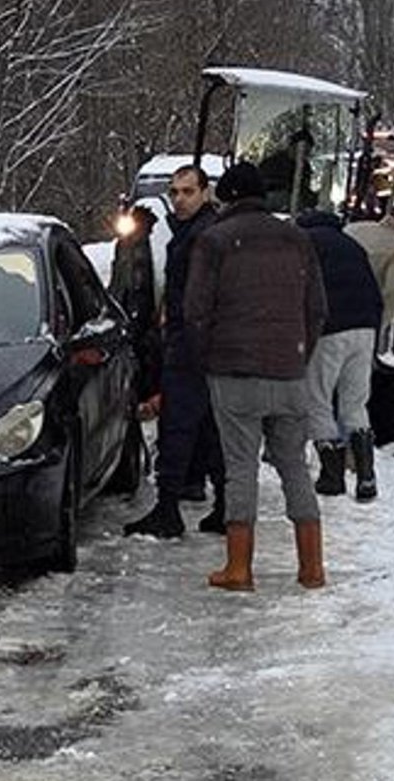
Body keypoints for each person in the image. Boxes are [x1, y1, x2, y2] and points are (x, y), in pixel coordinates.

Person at [185, 162, 328, 592]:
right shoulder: (298, 238)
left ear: (225, 198)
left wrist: (205, 358)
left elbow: (196, 312)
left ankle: (239, 568)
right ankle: (312, 568)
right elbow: (317, 308)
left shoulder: (214, 241)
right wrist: (297, 354)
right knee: (295, 467)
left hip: (234, 371)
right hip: (289, 370)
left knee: (240, 468)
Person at [124, 165, 227, 539]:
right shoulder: (192, 232)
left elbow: (198, 296)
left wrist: (182, 337)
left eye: (187, 192)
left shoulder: (203, 236)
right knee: (208, 428)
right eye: (175, 192)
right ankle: (220, 506)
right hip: (199, 344)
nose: (180, 199)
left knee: (180, 427)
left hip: (193, 345)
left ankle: (170, 508)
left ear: (205, 192)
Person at [298, 206, 383, 501]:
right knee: (355, 402)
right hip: (366, 328)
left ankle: (332, 476)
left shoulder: (306, 243)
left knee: (317, 399)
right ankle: (366, 476)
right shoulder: (352, 245)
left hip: (330, 329)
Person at [345, 200, 394, 501]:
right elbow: (391, 293)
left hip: (326, 316)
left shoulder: (353, 229)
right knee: (354, 393)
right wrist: (381, 334)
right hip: (360, 324)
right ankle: (352, 460)